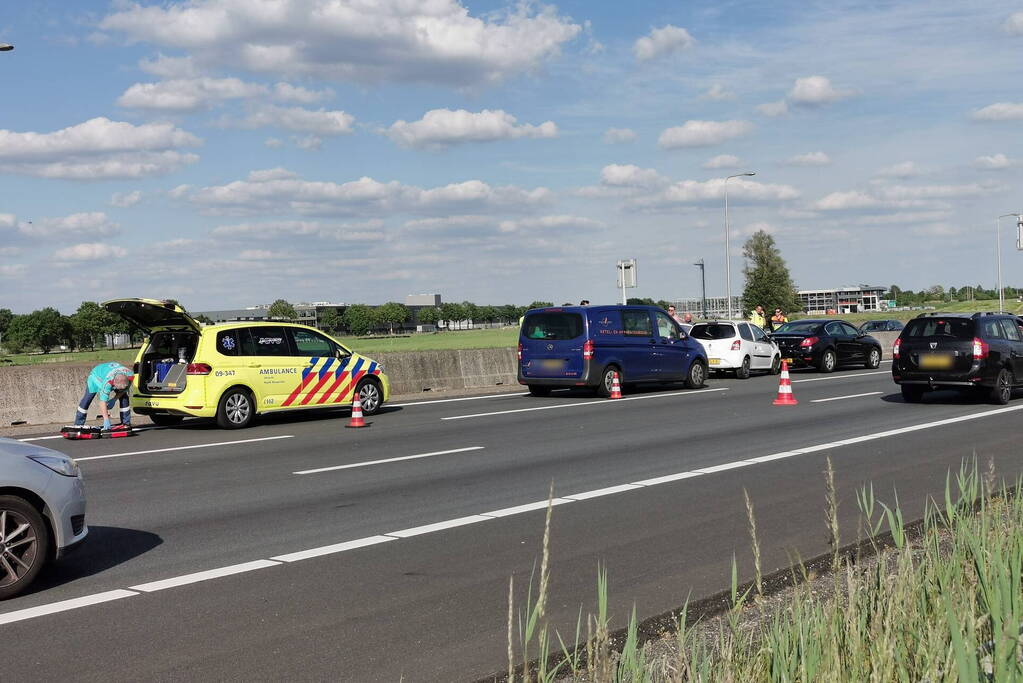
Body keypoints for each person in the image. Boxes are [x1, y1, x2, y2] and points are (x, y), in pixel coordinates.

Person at [74, 362, 134, 430]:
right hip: (96, 376)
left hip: (109, 372)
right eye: (118, 389)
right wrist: (106, 419)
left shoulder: (130, 376)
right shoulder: (107, 383)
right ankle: (78, 424)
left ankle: (126, 423)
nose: (119, 391)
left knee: (124, 397)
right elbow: (102, 402)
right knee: (87, 399)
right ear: (113, 384)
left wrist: (114, 399)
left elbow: (123, 391)